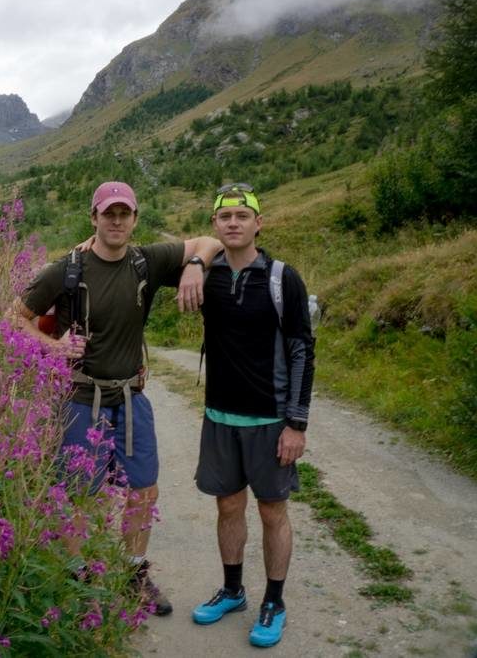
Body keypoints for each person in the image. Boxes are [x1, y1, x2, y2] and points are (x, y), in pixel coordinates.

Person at [7, 181, 222, 617]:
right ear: (94, 218)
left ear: (135, 219)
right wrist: (52, 348)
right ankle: (77, 578)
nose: (117, 221)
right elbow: (10, 320)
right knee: (78, 494)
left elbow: (210, 240)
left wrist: (196, 265)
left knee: (144, 490)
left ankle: (133, 574)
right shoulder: (64, 271)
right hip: (78, 400)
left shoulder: (147, 260)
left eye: (125, 213)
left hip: (131, 396)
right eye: (109, 213)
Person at [190, 183, 315, 648]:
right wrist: (194, 264)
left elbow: (303, 349)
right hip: (220, 416)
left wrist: (296, 423)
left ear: (259, 223)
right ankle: (233, 589)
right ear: (215, 227)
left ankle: (274, 601)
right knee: (227, 506)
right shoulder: (207, 276)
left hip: (269, 420)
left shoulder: (284, 278)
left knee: (272, 511)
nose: (235, 223)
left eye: (244, 215)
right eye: (226, 217)